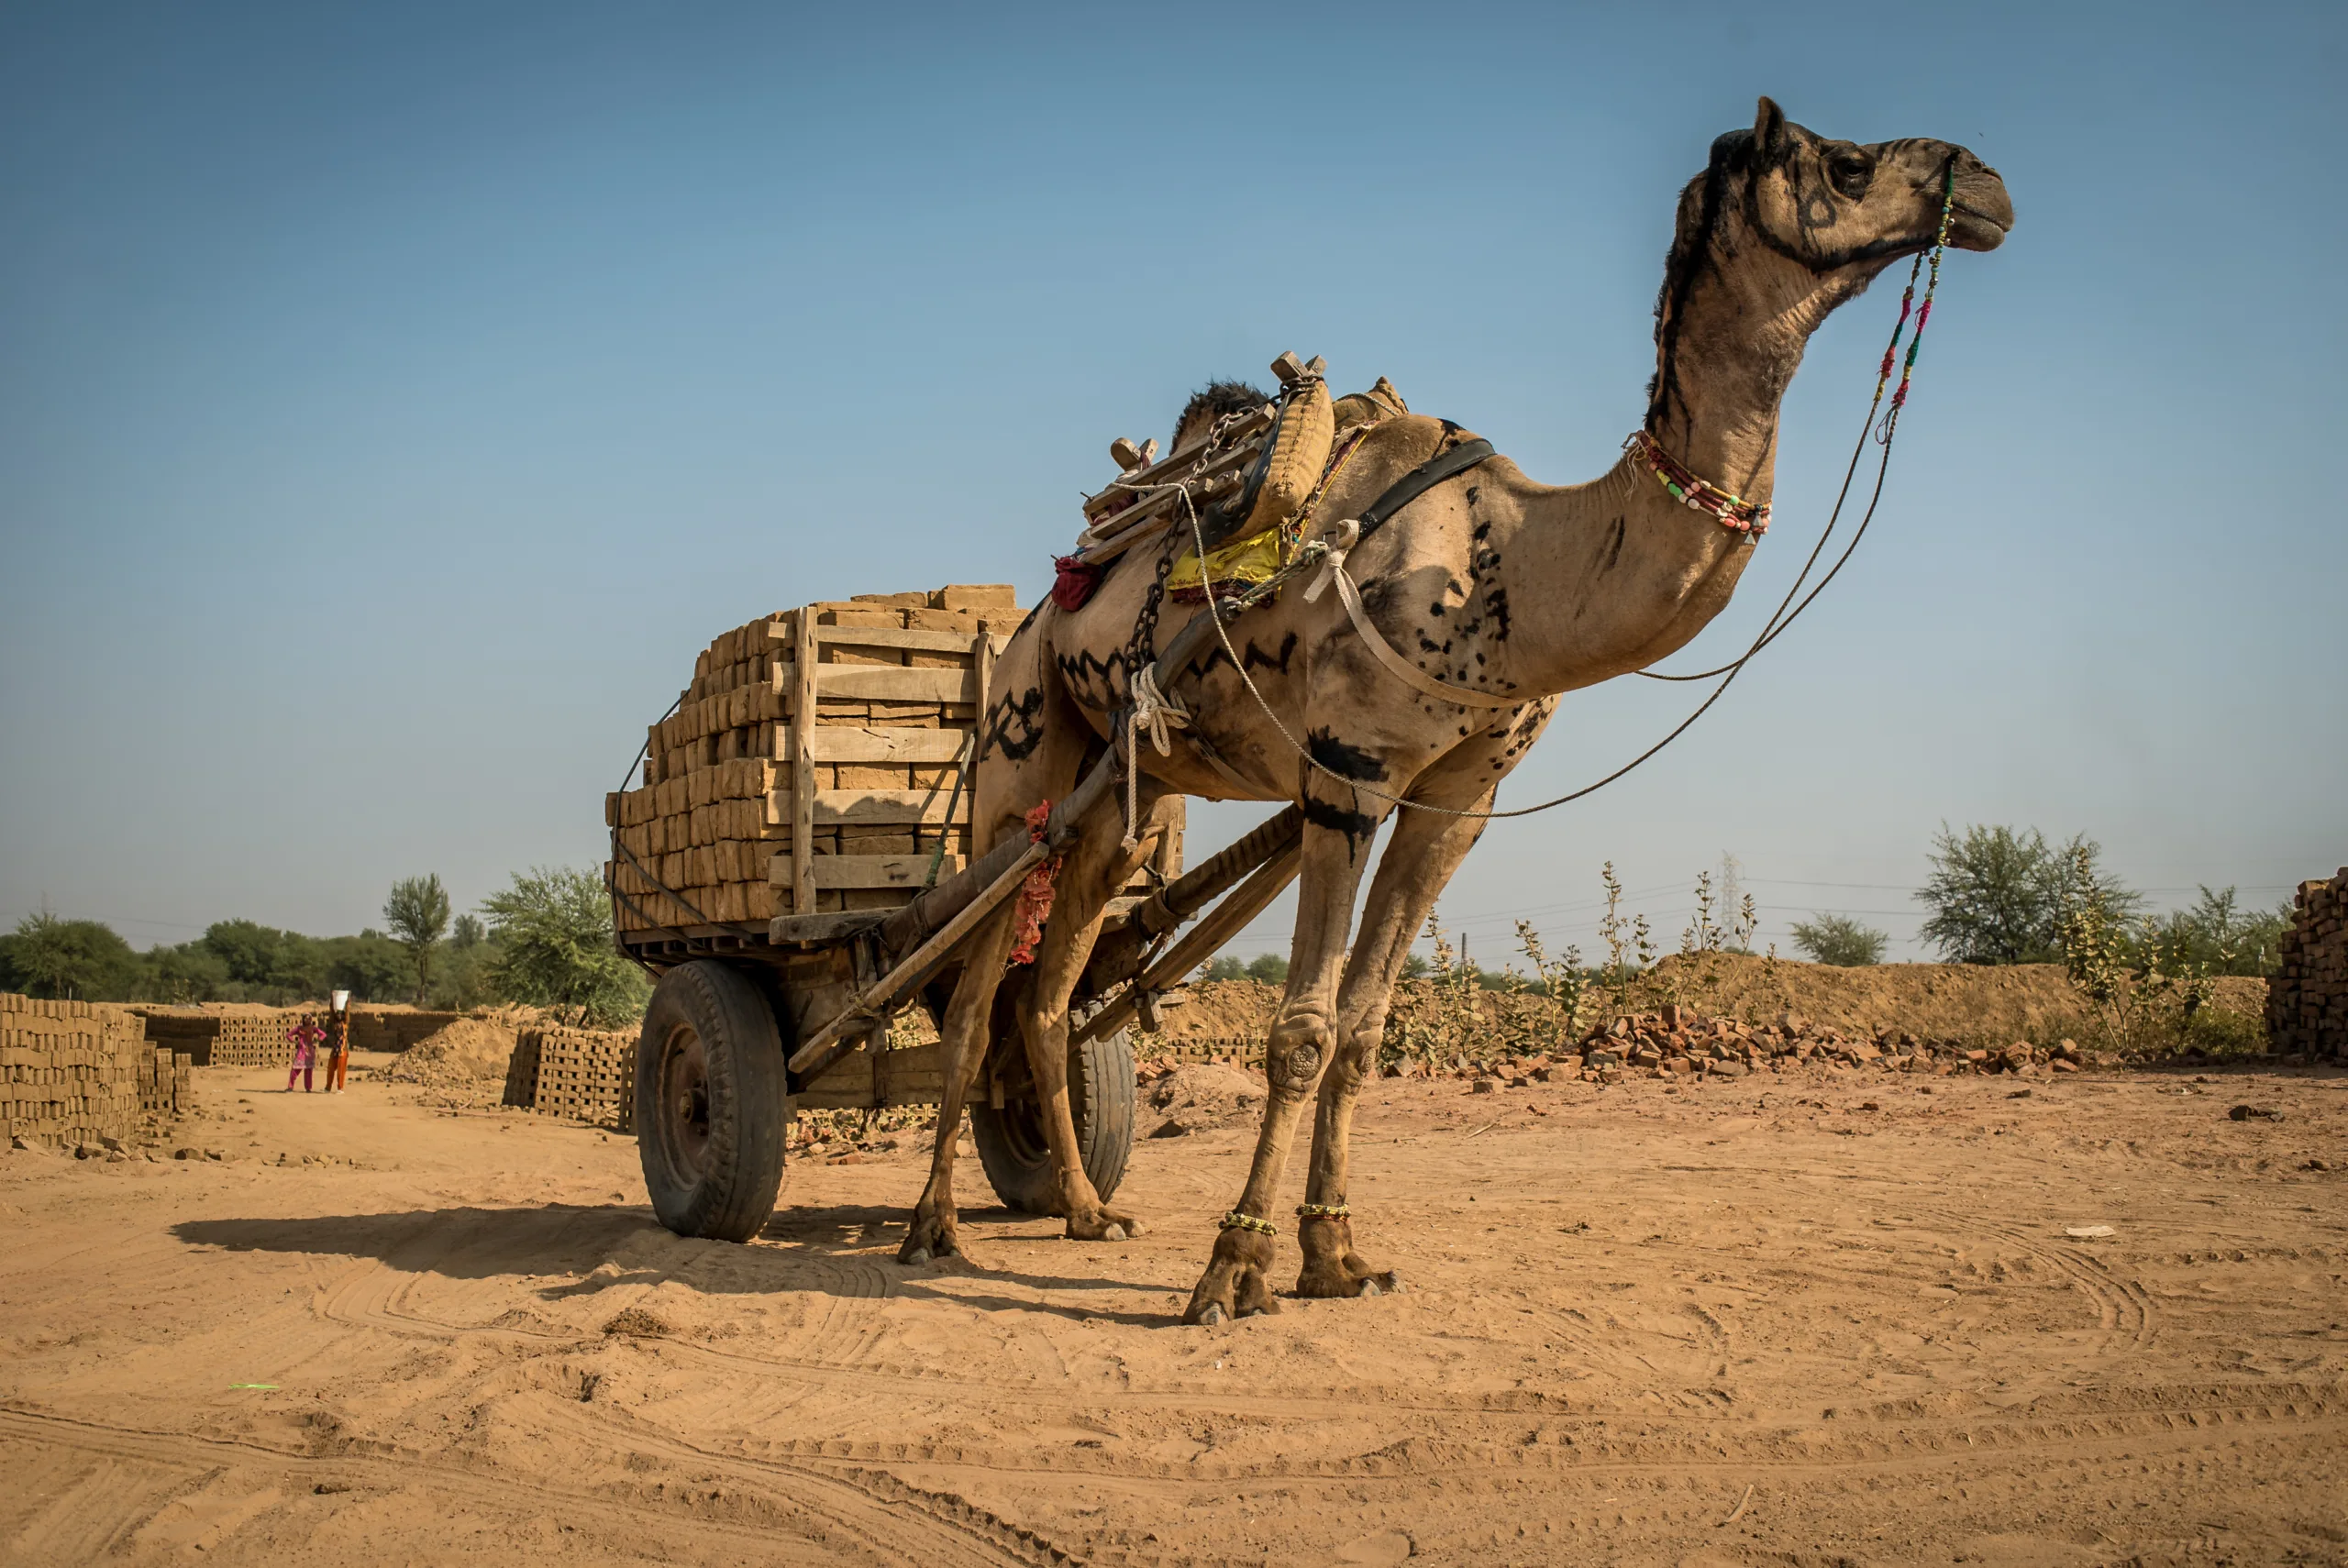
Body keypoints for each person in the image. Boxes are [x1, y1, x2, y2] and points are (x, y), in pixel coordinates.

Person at [285, 1012, 316, 1093]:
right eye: (306, 1018)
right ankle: (290, 1087)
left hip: (310, 1052)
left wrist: (318, 1039)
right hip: (301, 1052)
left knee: (309, 1071)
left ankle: (308, 1088)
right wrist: (295, 1041)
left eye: (309, 1018)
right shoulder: (299, 1028)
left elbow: (323, 1034)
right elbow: (289, 1035)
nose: (307, 1020)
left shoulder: (313, 1028)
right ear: (303, 1019)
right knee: (295, 1069)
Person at [325, 1003, 349, 1093]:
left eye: (341, 1014)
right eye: (338, 1014)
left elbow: (347, 1013)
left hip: (343, 1049)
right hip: (335, 1048)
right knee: (331, 1068)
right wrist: (332, 1002)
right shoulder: (334, 1023)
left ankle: (340, 1088)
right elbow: (331, 1014)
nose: (339, 1015)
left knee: (341, 1070)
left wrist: (347, 1002)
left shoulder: (345, 1023)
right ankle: (328, 1087)